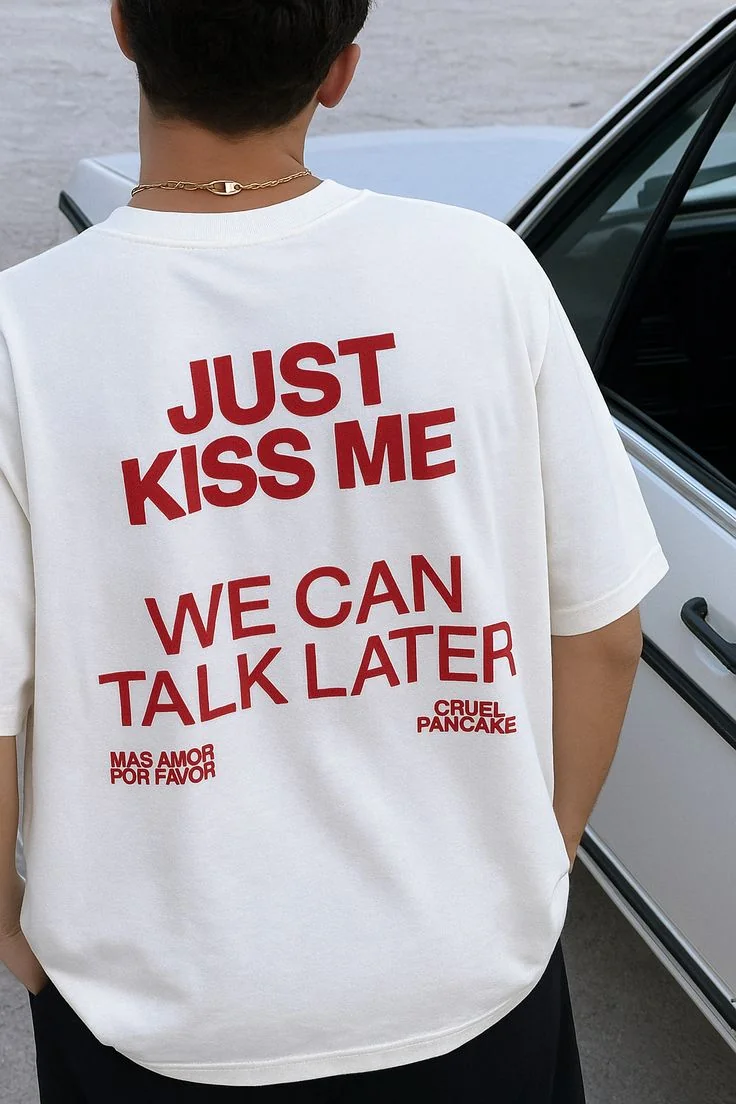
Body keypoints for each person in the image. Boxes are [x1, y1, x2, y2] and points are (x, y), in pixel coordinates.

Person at [0, 1, 669, 1100]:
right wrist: (538, 861)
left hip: (160, 1012)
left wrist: (9, 920)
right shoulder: (481, 271)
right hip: (469, 988)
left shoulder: (23, 332)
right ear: (342, 70)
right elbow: (602, 633)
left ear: (121, 28)